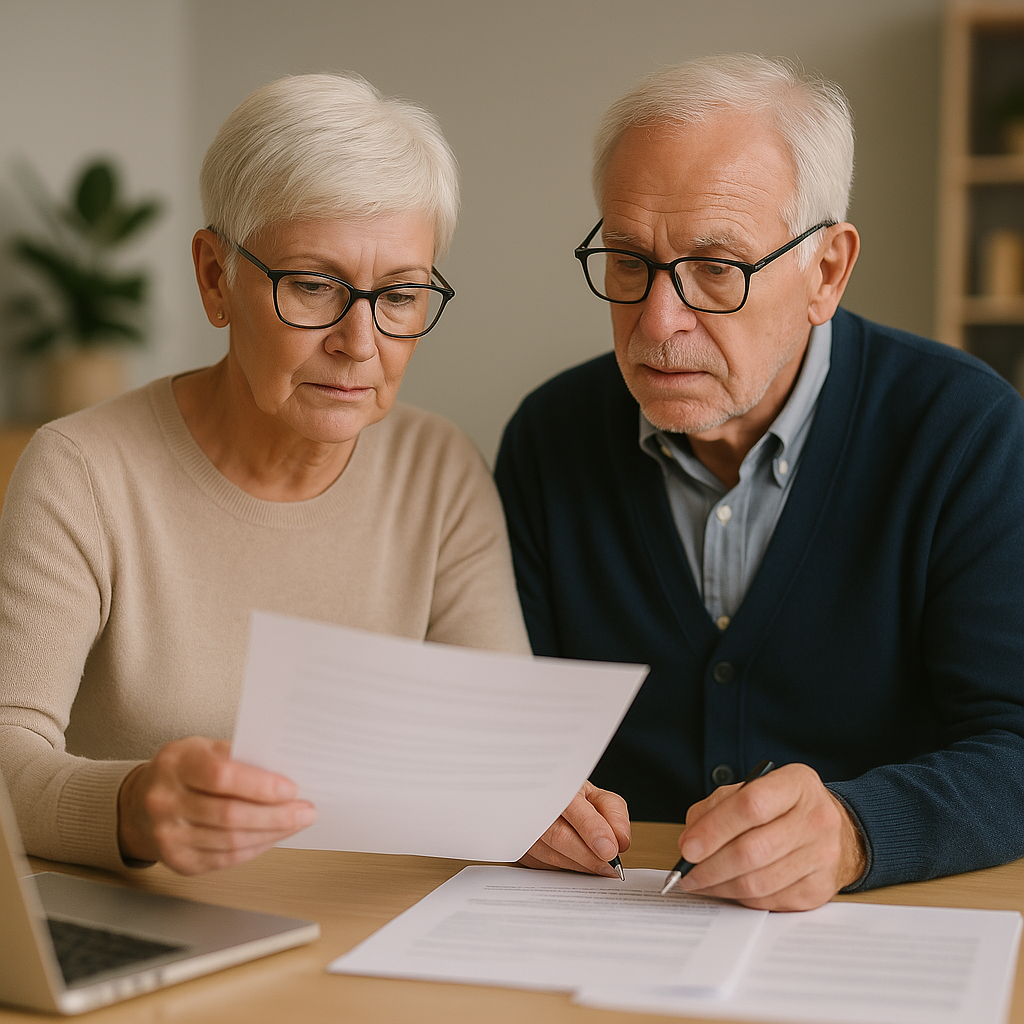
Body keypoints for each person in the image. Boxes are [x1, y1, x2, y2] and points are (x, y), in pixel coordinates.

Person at [0, 73, 628, 879]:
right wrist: (132, 808)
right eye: (312, 285)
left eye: (400, 295)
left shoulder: (438, 471)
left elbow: (493, 754)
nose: (359, 341)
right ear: (214, 278)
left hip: (366, 931)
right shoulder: (81, 472)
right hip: (143, 936)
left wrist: (539, 801)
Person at [495, 54, 1024, 911]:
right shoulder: (547, 438)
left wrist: (857, 831)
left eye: (717, 269)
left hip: (874, 931)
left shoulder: (963, 432)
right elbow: (507, 721)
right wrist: (516, 792)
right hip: (606, 927)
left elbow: (1017, 743)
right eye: (628, 260)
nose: (659, 323)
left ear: (826, 272)